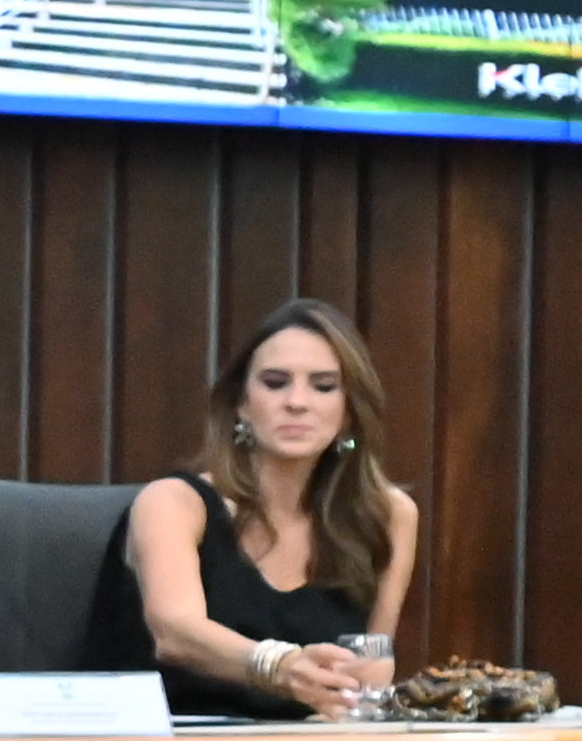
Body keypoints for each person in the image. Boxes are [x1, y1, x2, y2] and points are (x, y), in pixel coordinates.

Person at [92, 300, 416, 717]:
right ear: (241, 403)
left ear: (349, 413)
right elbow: (175, 633)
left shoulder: (389, 515)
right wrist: (280, 666)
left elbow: (371, 664)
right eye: (275, 383)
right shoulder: (173, 502)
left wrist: (358, 689)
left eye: (323, 386)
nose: (297, 402)